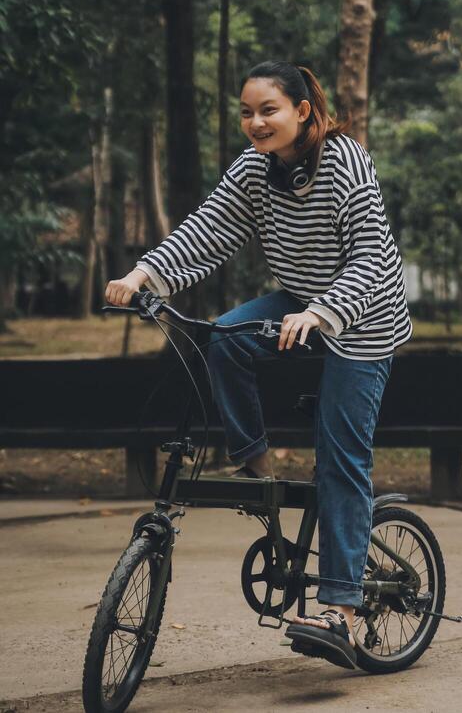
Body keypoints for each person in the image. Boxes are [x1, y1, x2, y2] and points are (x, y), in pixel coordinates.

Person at [105, 60, 412, 670]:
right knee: (224, 338)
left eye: (268, 110)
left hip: (364, 316)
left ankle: (344, 611)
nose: (255, 122)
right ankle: (257, 466)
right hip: (299, 300)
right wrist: (144, 274)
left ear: (302, 110)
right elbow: (208, 230)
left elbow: (373, 255)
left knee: (341, 460)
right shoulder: (254, 170)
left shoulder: (345, 161)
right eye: (246, 112)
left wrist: (326, 312)